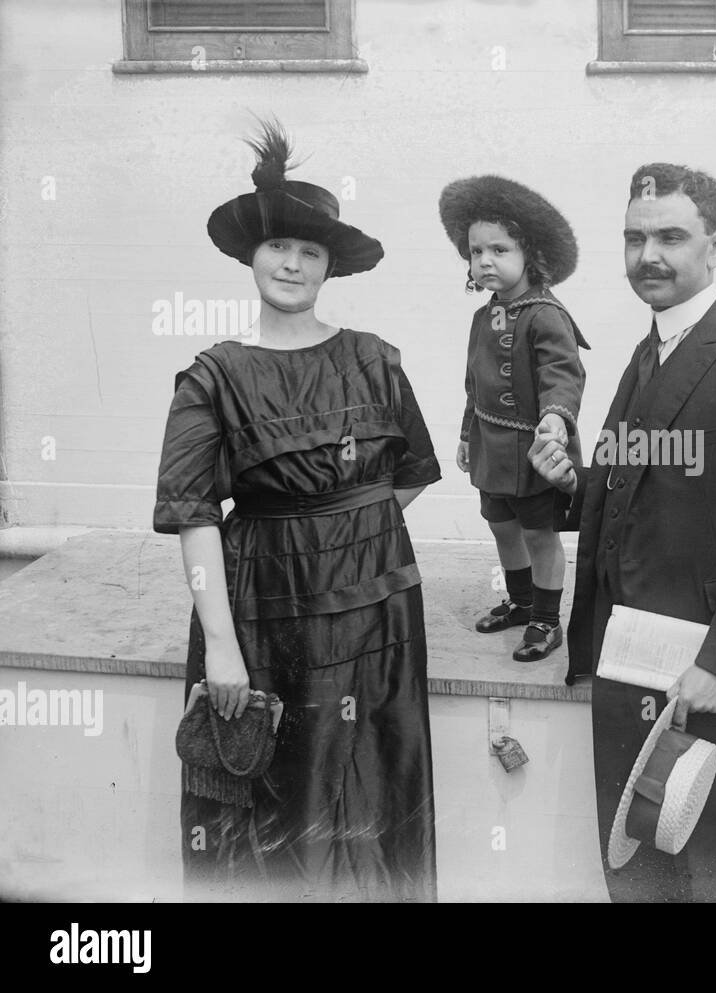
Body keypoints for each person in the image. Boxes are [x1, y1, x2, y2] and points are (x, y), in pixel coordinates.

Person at [153, 120, 441, 902]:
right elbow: (194, 514)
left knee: (373, 795)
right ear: (254, 255)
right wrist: (220, 646)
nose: (292, 262)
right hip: (262, 615)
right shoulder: (213, 377)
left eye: (310, 251)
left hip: (374, 617)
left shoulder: (375, 359)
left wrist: (347, 531)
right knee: (273, 810)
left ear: (329, 268)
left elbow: (409, 474)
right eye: (279, 245)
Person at [529, 163, 716, 902]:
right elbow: (639, 489)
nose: (648, 255)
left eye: (671, 237)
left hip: (705, 679)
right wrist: (574, 483)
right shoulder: (648, 353)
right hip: (633, 663)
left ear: (715, 247)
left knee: (712, 876)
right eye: (634, 238)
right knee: (637, 874)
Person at [438, 176, 590, 662]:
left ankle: (547, 620)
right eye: (476, 251)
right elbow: (474, 383)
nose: (485, 260)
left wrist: (556, 420)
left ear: (530, 254)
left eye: (499, 249)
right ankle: (522, 604)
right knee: (502, 527)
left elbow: (563, 374)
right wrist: (467, 434)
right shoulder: (484, 317)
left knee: (538, 535)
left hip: (534, 450)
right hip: (490, 448)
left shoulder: (546, 315)